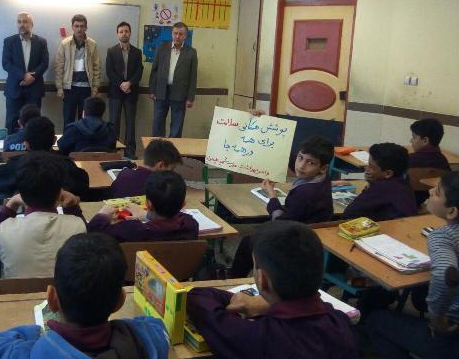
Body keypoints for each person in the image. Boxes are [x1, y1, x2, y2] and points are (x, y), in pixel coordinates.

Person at [0, 233, 169, 358]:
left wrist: (37, 333)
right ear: (120, 301)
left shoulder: (26, 353)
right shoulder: (145, 342)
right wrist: (123, 329)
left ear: (52, 299)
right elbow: (157, 327)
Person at [187, 221, 357, 359]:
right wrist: (267, 304)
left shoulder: (256, 337)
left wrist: (256, 303)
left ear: (262, 280)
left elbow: (196, 297)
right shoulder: (341, 322)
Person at [366, 171, 459, 359]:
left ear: (451, 211)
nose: (430, 191)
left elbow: (445, 275)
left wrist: (437, 319)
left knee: (374, 320)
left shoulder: (443, 237)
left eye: (437, 192)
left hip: (452, 335)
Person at [230, 135, 334, 277]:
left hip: (296, 241)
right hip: (310, 235)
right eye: (300, 158)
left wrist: (271, 195)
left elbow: (280, 224)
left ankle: (233, 278)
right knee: (256, 233)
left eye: (311, 163)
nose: (301, 166)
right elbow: (290, 157)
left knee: (248, 242)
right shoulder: (323, 179)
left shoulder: (304, 193)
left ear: (323, 168)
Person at [0, 152, 87, 278]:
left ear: (21, 194)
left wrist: (12, 203)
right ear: (60, 193)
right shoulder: (78, 227)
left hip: (20, 291)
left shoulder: (2, 231)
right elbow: (86, 234)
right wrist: (72, 207)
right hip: (63, 290)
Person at [0, 116, 89, 200]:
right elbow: (83, 185)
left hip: (24, 216)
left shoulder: (16, 165)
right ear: (54, 140)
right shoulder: (67, 165)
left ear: (26, 144)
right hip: (61, 215)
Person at [88, 170, 198, 242]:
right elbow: (172, 221)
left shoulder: (132, 230)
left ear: (148, 204)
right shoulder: (190, 225)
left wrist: (102, 215)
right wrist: (147, 215)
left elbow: (93, 234)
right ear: (183, 204)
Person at [342, 142, 417, 221]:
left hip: (388, 227)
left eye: (371, 167)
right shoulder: (403, 181)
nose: (366, 169)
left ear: (388, 173)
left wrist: (371, 186)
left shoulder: (382, 187)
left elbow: (349, 213)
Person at [2, 12, 49, 134]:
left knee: (34, 123)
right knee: (12, 121)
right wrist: (23, 76)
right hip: (14, 88)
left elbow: (44, 63)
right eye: (19, 22)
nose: (22, 24)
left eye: (25, 22)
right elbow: (6, 63)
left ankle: (32, 145)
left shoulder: (41, 42)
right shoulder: (9, 41)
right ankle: (11, 145)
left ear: (31, 24)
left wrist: (32, 76)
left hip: (34, 89)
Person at [148, 22, 197, 138]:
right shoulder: (162, 48)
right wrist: (152, 90)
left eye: (181, 34)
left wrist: (190, 97)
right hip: (161, 91)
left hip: (180, 93)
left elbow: (193, 76)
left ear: (185, 36)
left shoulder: (191, 52)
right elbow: (154, 70)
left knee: (177, 126)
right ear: (172, 34)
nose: (177, 36)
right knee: (157, 124)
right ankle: (157, 148)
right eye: (175, 33)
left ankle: (173, 149)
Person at [55, 14, 101, 131]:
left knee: (85, 120)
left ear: (86, 27)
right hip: (69, 88)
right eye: (76, 26)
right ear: (72, 27)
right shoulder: (65, 44)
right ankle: (68, 142)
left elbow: (97, 67)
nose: (79, 29)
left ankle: (82, 143)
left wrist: (95, 88)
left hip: (86, 89)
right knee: (68, 120)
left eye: (82, 26)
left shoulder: (92, 44)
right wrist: (59, 87)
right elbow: (59, 66)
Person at [106, 21, 143, 159]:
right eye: (121, 31)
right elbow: (109, 71)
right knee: (114, 123)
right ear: (117, 34)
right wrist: (121, 84)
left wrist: (129, 83)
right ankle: (113, 152)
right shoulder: (111, 51)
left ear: (130, 33)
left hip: (131, 92)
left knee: (130, 123)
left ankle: (130, 152)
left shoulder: (137, 52)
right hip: (115, 92)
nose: (124, 34)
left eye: (126, 31)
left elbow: (139, 71)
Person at [109, 138, 182, 198]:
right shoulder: (161, 188)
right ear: (160, 165)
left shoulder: (123, 174)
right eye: (172, 169)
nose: (173, 173)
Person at [409, 118, 451, 205]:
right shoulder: (443, 161)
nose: (411, 140)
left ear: (425, 140)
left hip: (410, 204)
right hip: (435, 206)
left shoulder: (409, 160)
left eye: (414, 137)